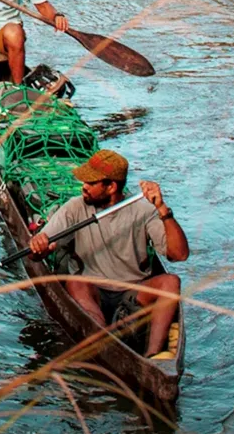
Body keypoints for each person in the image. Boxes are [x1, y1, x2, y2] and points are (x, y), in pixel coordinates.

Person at [27, 149, 189, 360]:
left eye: (90, 182)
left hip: (133, 292)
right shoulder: (75, 208)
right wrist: (38, 246)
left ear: (111, 187)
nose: (84, 187)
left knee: (171, 282)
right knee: (75, 283)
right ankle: (104, 339)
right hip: (93, 291)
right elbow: (38, 251)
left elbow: (179, 255)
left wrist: (162, 209)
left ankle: (153, 355)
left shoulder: (144, 211)